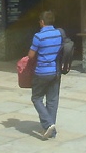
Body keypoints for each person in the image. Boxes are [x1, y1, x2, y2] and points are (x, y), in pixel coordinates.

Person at [27, 10, 63, 139]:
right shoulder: (59, 33)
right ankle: (51, 130)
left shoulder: (38, 36)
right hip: (55, 71)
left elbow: (31, 55)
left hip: (41, 72)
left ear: (42, 22)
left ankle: (48, 124)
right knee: (52, 100)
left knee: (36, 98)